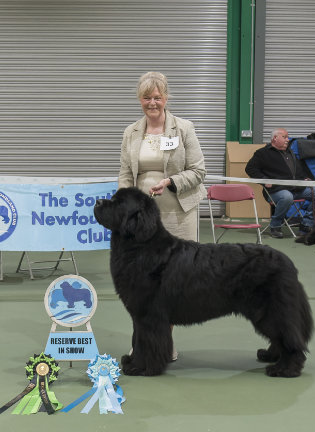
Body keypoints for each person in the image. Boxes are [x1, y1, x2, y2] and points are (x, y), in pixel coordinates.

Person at [118, 71, 206, 362]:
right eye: (146, 98)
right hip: (142, 222)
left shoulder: (184, 129)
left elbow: (198, 171)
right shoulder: (131, 132)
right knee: (142, 283)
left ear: (166, 98)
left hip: (177, 213)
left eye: (157, 97)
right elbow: (125, 174)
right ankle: (145, 342)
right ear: (139, 100)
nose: (152, 103)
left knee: (172, 282)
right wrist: (126, 208)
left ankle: (164, 343)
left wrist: (169, 182)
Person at [245, 128, 315, 238]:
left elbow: (297, 171)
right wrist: (264, 179)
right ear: (275, 138)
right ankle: (275, 226)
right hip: (275, 191)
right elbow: (250, 169)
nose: (288, 140)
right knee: (287, 197)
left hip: (296, 189)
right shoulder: (262, 153)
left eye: (287, 137)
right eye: (284, 137)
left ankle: (306, 224)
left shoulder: (290, 152)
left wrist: (304, 178)